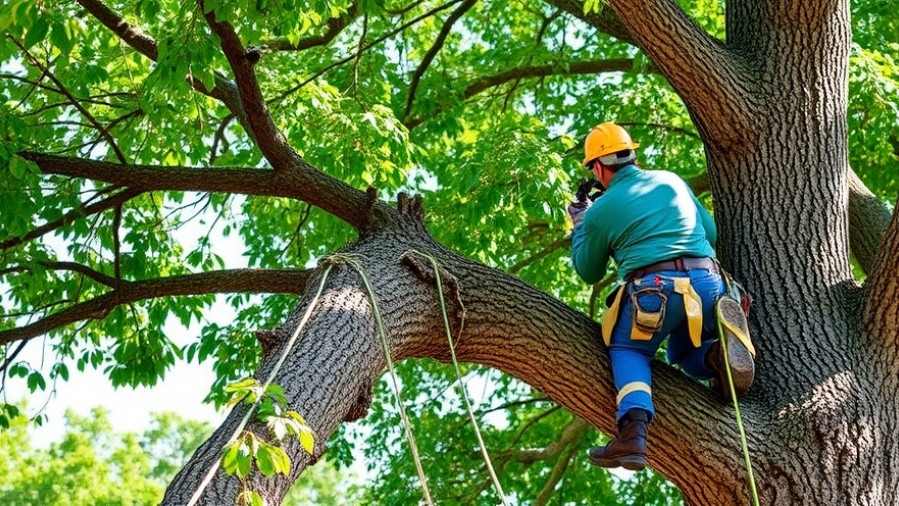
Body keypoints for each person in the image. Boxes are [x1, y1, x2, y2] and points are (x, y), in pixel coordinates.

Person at [567, 122, 755, 471]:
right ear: (631, 154)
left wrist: (581, 224)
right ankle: (716, 356)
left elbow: (588, 270)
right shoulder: (671, 180)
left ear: (597, 167)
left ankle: (633, 435)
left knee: (629, 349)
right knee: (682, 352)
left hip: (654, 291)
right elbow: (710, 232)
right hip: (707, 282)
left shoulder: (600, 210)